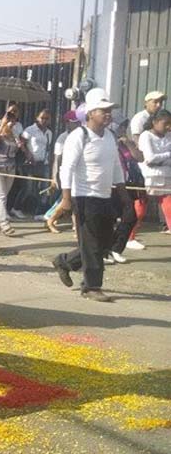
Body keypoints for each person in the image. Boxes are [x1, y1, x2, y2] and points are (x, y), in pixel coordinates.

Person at [52, 89, 128, 302]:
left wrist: (123, 194)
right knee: (93, 243)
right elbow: (66, 168)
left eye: (109, 110)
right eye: (103, 110)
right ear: (91, 113)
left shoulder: (109, 137)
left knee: (105, 243)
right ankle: (91, 286)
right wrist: (66, 199)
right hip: (84, 197)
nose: (107, 114)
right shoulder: (79, 136)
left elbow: (115, 166)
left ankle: (65, 261)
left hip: (105, 196)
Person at [105, 116, 143, 264]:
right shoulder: (107, 143)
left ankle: (116, 248)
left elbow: (140, 158)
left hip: (126, 184)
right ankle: (104, 251)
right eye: (121, 127)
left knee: (131, 217)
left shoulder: (126, 143)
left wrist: (129, 144)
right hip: (111, 185)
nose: (123, 130)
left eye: (124, 127)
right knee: (109, 220)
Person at [0, 103, 23, 235]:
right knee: (1, 195)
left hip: (10, 167)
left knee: (2, 195)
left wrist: (18, 139)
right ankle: (4, 224)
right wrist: (3, 125)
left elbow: (19, 147)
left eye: (15, 112)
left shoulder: (17, 129)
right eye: (10, 111)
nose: (13, 114)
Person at [134, 109, 171, 238]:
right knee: (141, 206)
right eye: (165, 123)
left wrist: (161, 160)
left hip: (166, 175)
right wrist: (167, 155)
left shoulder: (169, 136)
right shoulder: (146, 135)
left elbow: (156, 159)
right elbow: (149, 158)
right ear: (155, 122)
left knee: (168, 205)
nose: (168, 127)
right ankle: (129, 237)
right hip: (148, 176)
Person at [45, 111, 81, 233]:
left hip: (78, 173)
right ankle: (51, 219)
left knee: (74, 201)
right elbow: (57, 159)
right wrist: (55, 177)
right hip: (65, 173)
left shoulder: (81, 136)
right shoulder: (62, 138)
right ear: (67, 123)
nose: (77, 125)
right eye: (74, 123)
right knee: (69, 200)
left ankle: (76, 227)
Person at [17, 109, 53, 218]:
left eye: (47, 119)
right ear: (37, 118)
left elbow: (48, 148)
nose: (44, 121)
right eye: (42, 118)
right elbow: (21, 143)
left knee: (44, 189)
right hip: (30, 163)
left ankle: (39, 212)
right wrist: (28, 154)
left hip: (43, 163)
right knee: (28, 188)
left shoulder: (49, 133)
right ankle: (16, 207)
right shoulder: (30, 130)